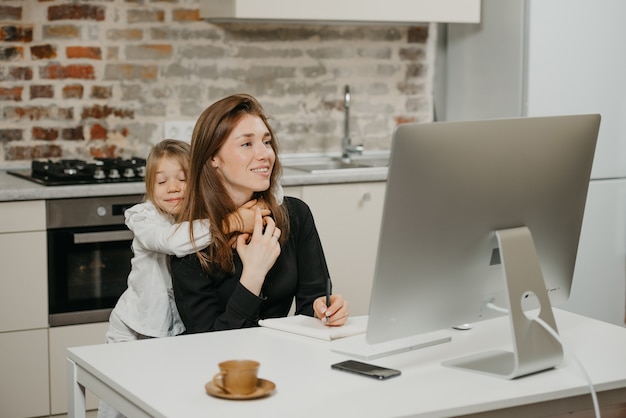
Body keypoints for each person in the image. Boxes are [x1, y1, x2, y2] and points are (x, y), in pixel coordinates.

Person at [97, 139, 276, 418]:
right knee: (116, 406)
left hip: (174, 332)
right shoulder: (143, 217)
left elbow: (272, 190)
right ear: (149, 187)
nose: (173, 188)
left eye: (183, 178)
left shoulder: (201, 217)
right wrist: (235, 222)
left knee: (158, 401)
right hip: (134, 328)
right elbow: (172, 242)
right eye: (162, 181)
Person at [170, 93, 349, 333]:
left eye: (266, 142)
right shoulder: (188, 241)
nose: (265, 154)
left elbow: (312, 299)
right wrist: (254, 274)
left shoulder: (295, 214)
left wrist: (322, 310)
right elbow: (207, 341)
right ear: (213, 158)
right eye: (246, 144)